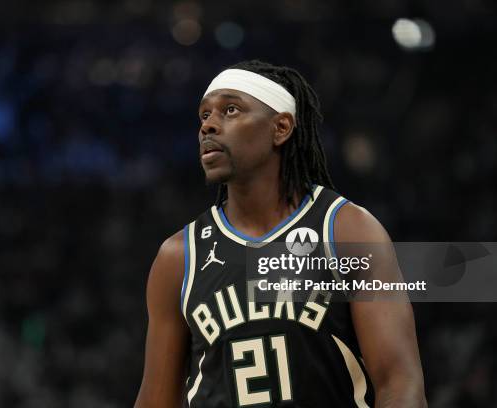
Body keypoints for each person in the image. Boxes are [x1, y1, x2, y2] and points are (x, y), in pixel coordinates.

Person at [135, 60, 426, 407]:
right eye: (204, 115)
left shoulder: (346, 230)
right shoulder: (179, 257)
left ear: (281, 128)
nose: (209, 126)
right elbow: (155, 401)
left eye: (230, 110)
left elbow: (400, 383)